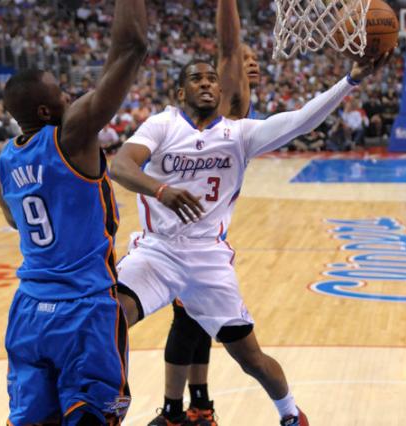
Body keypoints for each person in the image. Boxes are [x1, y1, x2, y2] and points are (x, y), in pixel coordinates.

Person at [111, 54, 389, 426]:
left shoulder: (239, 135)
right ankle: (112, 401)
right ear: (181, 92)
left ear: (221, 90)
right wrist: (161, 190)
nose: (207, 83)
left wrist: (350, 80)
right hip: (156, 251)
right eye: (197, 78)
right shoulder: (163, 124)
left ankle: (290, 413)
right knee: (107, 316)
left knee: (250, 358)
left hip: (207, 259)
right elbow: (120, 166)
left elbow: (301, 120)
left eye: (212, 78)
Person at [0, 0, 148, 423]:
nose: (71, 96)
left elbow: (13, 218)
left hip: (27, 311)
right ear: (47, 111)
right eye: (62, 93)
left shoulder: (6, 159)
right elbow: (132, 47)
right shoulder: (71, 135)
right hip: (83, 310)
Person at [147, 1, 261, 424]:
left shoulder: (235, 112)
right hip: (177, 234)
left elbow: (231, 51)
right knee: (191, 323)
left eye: (253, 60)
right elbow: (228, 46)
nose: (249, 65)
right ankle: (194, 406)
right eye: (243, 59)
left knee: (193, 325)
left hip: (198, 239)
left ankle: (187, 409)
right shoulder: (211, 106)